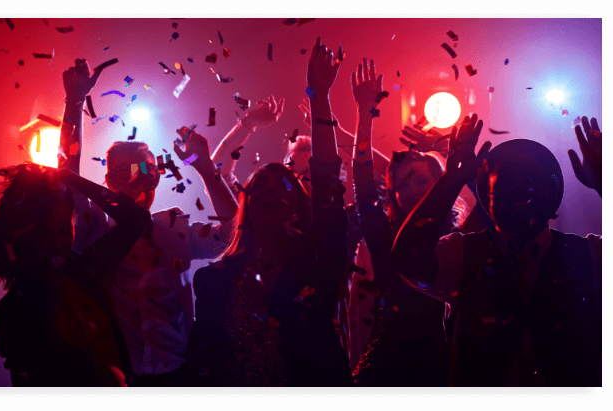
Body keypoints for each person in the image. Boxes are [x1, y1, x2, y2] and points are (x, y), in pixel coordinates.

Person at [182, 37, 354, 386]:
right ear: (246, 205)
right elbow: (202, 363)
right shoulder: (214, 280)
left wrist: (320, 97)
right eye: (261, 185)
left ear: (298, 203)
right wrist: (243, 127)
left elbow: (325, 177)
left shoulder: (319, 261)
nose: (272, 190)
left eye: (284, 185)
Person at [57, 59, 238, 386]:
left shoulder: (173, 230)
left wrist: (204, 165)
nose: (137, 183)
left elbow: (230, 236)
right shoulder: (95, 230)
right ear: (109, 180)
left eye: (147, 172)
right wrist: (75, 101)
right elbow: (66, 179)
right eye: (125, 173)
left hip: (181, 376)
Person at [390, 114, 602, 386]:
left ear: (554, 193)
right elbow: (408, 259)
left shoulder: (590, 256)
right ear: (485, 198)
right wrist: (452, 178)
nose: (519, 200)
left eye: (529, 187)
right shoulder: (461, 255)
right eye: (504, 189)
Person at [346, 58, 469, 386]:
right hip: (388, 369)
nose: (411, 190)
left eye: (420, 181)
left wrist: (446, 153)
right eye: (401, 185)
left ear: (438, 182)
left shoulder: (460, 240)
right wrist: (364, 113)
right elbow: (362, 182)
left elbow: (489, 196)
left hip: (447, 369)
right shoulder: (383, 237)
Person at [0, 163, 151, 386]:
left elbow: (136, 219)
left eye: (64, 230)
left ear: (74, 222)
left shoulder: (86, 271)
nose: (57, 243)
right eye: (44, 233)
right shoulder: (13, 311)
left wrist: (70, 178)